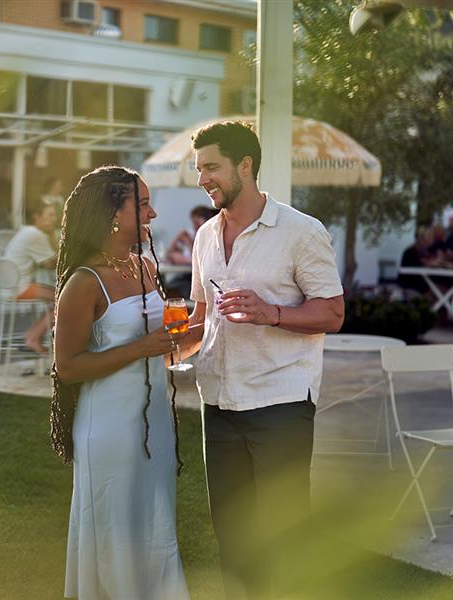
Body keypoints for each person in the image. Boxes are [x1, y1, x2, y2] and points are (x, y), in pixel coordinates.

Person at [178, 121, 344, 599]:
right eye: (198, 169)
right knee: (231, 536)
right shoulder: (205, 235)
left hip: (280, 403)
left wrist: (270, 312)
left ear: (245, 166)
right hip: (220, 404)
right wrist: (162, 345)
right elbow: (201, 317)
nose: (202, 178)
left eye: (211, 167)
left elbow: (333, 313)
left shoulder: (300, 231)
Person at [51, 166, 192, 600]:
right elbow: (68, 367)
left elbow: (164, 348)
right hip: (109, 426)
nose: (153, 213)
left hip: (153, 426)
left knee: (155, 526)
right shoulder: (83, 282)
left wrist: (208, 327)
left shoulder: (145, 266)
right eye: (144, 203)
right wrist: (141, 347)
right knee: (115, 533)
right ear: (115, 212)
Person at [4, 202, 58, 353]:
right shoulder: (35, 235)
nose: (54, 219)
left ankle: (32, 335)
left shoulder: (27, 231)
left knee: (59, 299)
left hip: (12, 286)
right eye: (50, 215)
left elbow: (50, 261)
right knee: (65, 301)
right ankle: (33, 338)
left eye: (55, 215)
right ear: (37, 217)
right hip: (20, 287)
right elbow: (51, 265)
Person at [165, 205, 218, 298]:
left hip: (198, 279)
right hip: (187, 276)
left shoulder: (211, 235)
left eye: (196, 222)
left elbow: (198, 259)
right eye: (193, 222)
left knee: (173, 292)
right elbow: (169, 255)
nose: (194, 226)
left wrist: (188, 242)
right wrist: (177, 240)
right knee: (167, 288)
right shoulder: (191, 234)